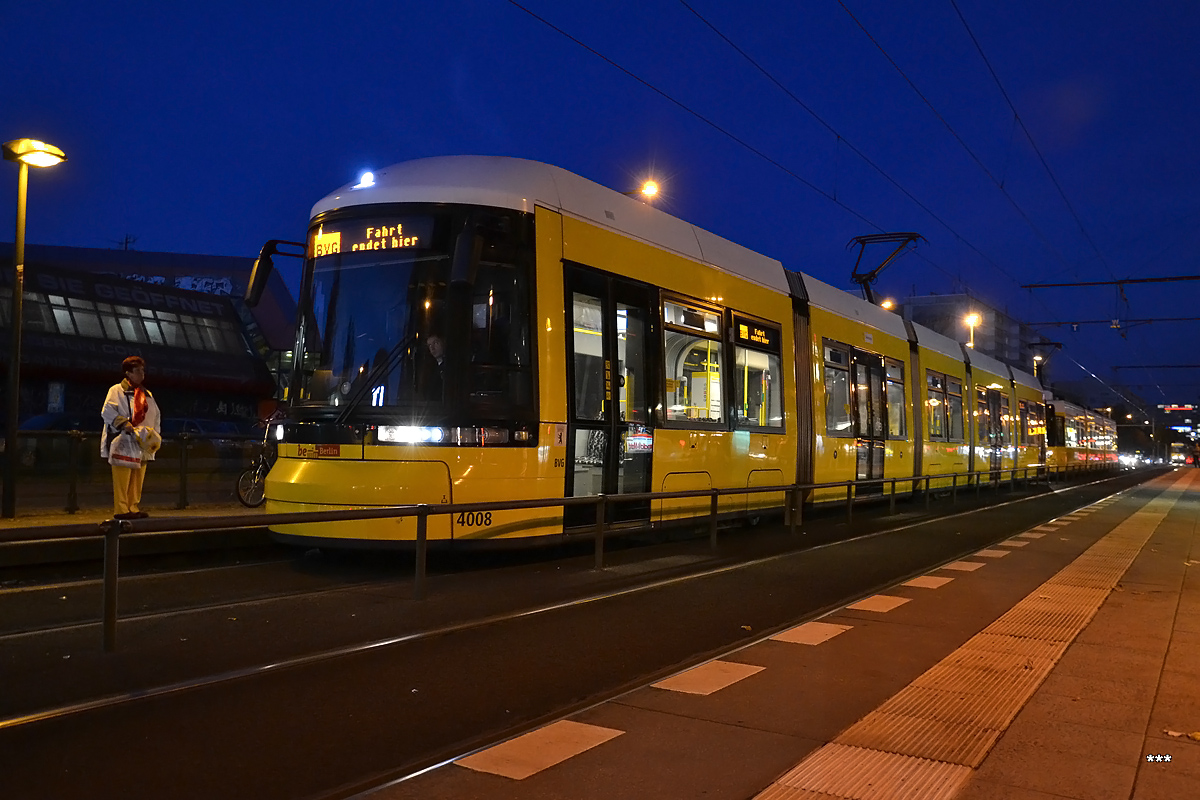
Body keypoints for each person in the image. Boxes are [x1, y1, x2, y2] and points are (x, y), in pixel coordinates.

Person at [101, 356, 162, 519]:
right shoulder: (116, 391)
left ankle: (133, 507)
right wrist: (123, 423)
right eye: (138, 371)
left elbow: (156, 416)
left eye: (143, 370)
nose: (142, 374)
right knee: (123, 476)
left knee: (137, 477)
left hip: (141, 443)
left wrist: (153, 436)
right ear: (128, 373)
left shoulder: (146, 394)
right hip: (124, 440)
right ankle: (121, 509)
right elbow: (107, 411)